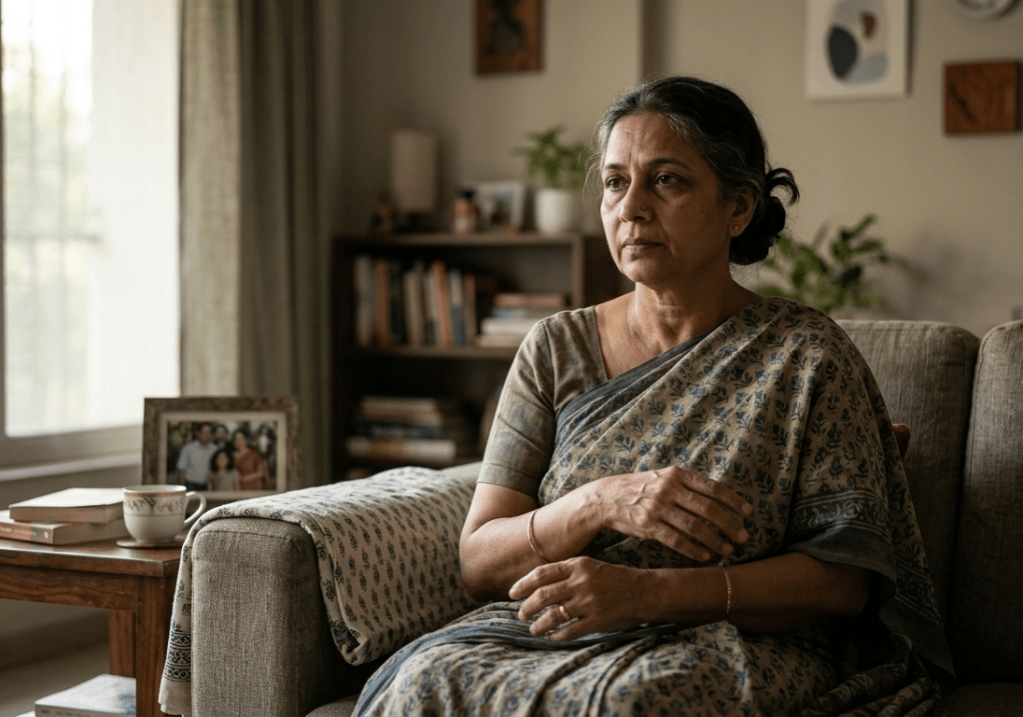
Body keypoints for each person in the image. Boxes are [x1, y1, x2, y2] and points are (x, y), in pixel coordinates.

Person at [354, 76, 952, 715]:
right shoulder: (555, 348)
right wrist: (598, 503)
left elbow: (842, 583)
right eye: (615, 182)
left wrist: (644, 594)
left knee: (636, 703)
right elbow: (479, 561)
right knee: (423, 680)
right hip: (551, 632)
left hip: (736, 641)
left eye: (666, 180)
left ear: (739, 208)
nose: (631, 207)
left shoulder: (807, 355)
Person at [176, 423, 218, 491]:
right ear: (198, 433)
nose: (206, 435)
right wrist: (181, 489)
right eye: (203, 432)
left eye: (208, 432)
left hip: (208, 486)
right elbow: (181, 469)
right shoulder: (188, 448)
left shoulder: (215, 449)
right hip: (191, 485)